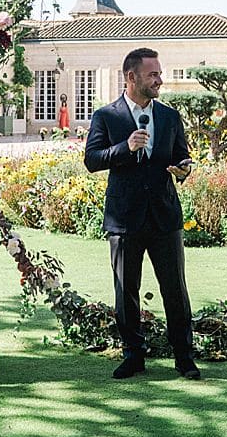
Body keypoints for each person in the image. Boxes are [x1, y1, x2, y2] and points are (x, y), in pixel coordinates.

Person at [84, 47, 198, 380]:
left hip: (164, 215)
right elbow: (92, 160)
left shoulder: (169, 116)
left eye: (159, 74)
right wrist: (125, 148)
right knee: (126, 290)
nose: (160, 80)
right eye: (153, 75)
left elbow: (182, 156)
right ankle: (133, 356)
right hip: (124, 218)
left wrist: (184, 169)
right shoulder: (107, 116)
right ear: (131, 77)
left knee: (175, 289)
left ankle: (184, 358)